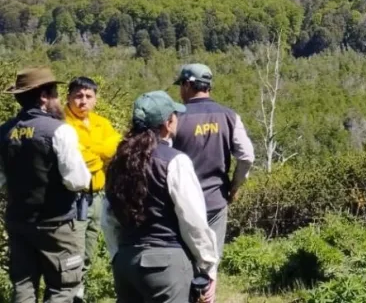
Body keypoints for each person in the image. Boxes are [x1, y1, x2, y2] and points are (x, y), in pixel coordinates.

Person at [103, 91, 218, 303]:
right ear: (168, 122)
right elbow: (193, 220)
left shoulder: (117, 163)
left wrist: (117, 255)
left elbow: (108, 218)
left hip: (126, 262)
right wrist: (208, 265)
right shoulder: (175, 161)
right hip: (166, 263)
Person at [0, 67, 91, 303]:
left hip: (19, 221)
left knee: (23, 285)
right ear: (43, 96)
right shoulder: (59, 131)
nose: (58, 98)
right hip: (56, 224)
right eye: (55, 93)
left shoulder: (4, 132)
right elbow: (78, 180)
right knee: (63, 288)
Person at [171, 64, 254, 260]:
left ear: (186, 85)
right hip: (216, 200)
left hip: (181, 202)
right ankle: (208, 290)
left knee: (184, 259)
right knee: (211, 261)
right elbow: (247, 156)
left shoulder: (175, 118)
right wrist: (234, 187)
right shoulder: (229, 116)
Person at [64, 76, 121, 302]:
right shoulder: (62, 124)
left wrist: (91, 150)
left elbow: (116, 147)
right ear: (68, 97)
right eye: (78, 96)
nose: (83, 101)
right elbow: (78, 159)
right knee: (72, 253)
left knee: (88, 251)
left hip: (97, 195)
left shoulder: (101, 122)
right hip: (71, 199)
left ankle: (80, 296)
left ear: (96, 99)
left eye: (88, 96)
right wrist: (100, 154)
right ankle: (68, 295)